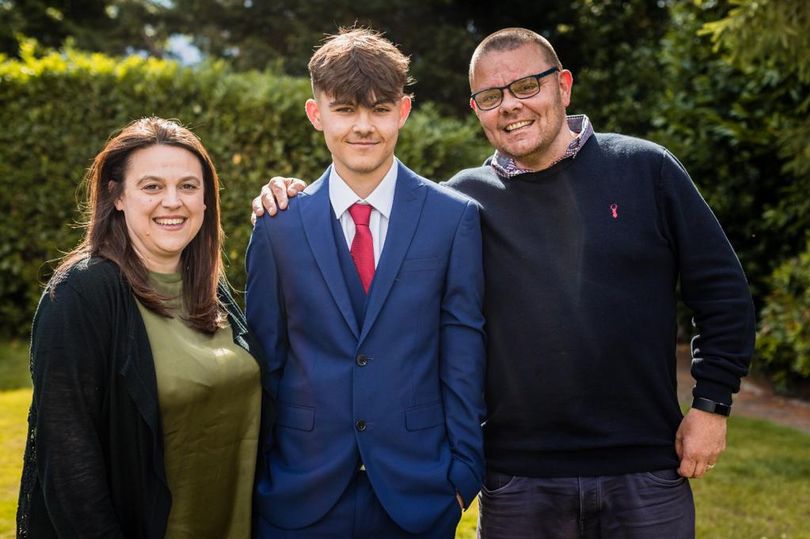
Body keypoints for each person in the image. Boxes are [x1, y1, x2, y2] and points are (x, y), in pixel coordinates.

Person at [254, 27, 756, 538]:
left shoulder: (644, 168)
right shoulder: (466, 203)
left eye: (526, 86)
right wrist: (291, 195)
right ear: (477, 109)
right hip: (520, 478)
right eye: (492, 96)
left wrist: (711, 406)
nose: (511, 106)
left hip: (646, 465)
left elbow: (721, 292)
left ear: (563, 85)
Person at [245, 28, 486, 538]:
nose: (363, 126)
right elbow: (267, 357)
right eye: (345, 109)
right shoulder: (278, 226)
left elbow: (462, 352)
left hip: (419, 491)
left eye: (379, 109)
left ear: (403, 111)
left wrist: (464, 473)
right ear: (317, 115)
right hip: (298, 491)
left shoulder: (453, 219)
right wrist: (262, 475)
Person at [17, 117, 274, 538]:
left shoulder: (211, 289)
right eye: (152, 186)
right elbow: (67, 463)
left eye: (188, 186)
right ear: (116, 197)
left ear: (206, 199)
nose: (173, 201)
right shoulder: (83, 293)